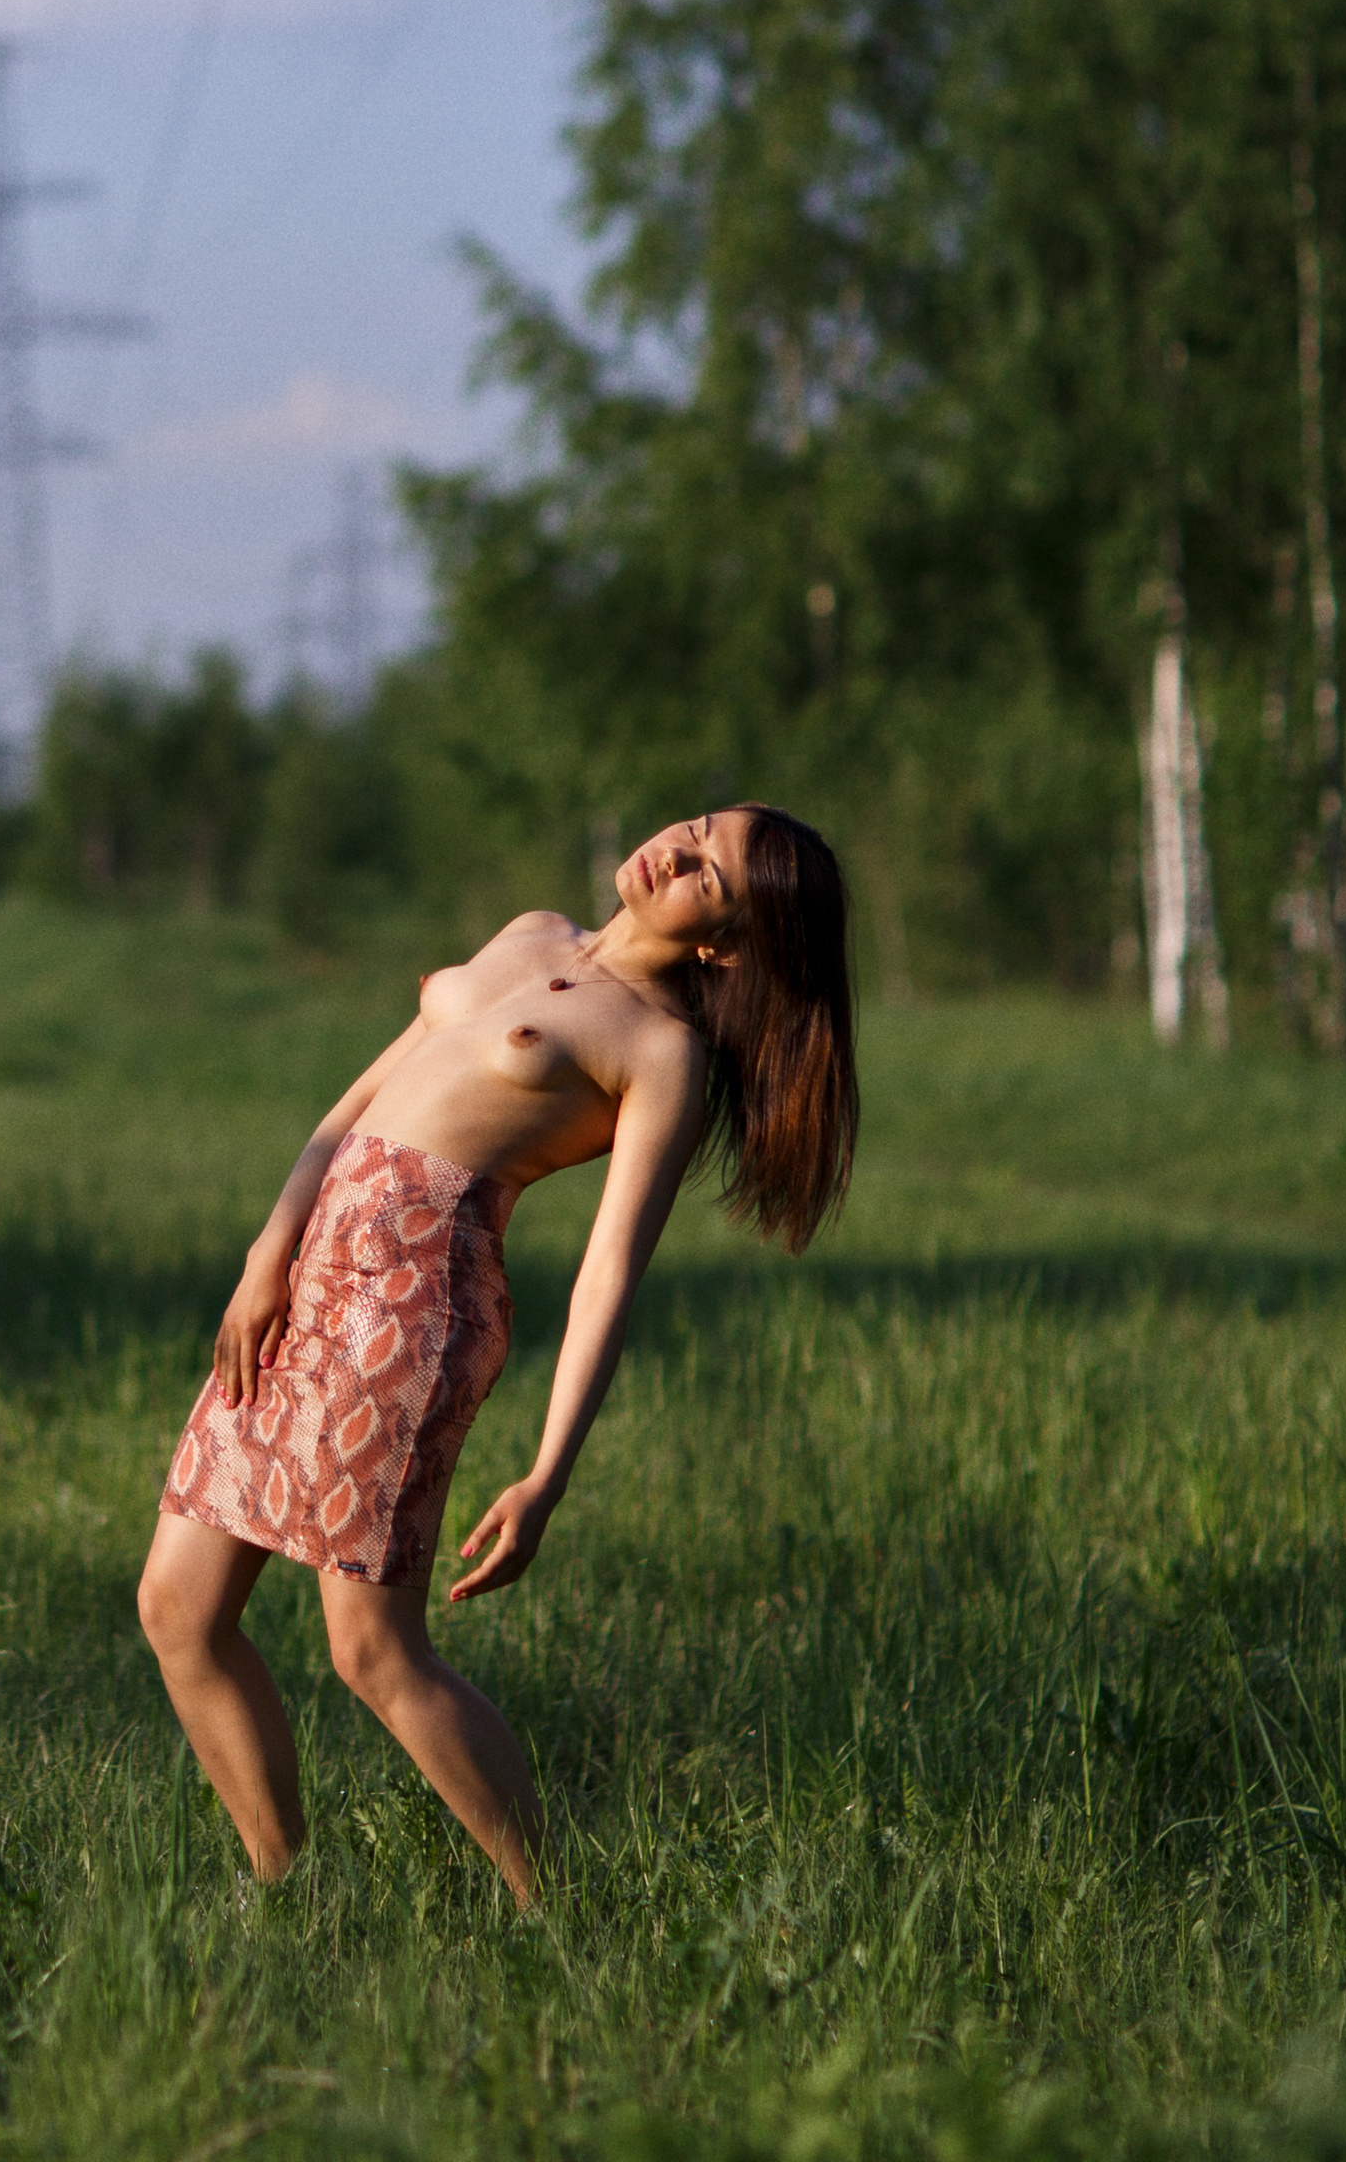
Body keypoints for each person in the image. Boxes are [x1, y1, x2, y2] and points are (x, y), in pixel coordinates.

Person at [137, 804, 857, 1901]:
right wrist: (266, 1249)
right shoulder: (531, 931)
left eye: (708, 874)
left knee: (372, 1652)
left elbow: (610, 1270)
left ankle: (558, 1907)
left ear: (724, 943)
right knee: (178, 1611)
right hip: (310, 1274)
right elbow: (359, 1102)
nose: (676, 849)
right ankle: (284, 1891)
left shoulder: (661, 1052)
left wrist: (548, 1475)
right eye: (696, 826)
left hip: (412, 1313)